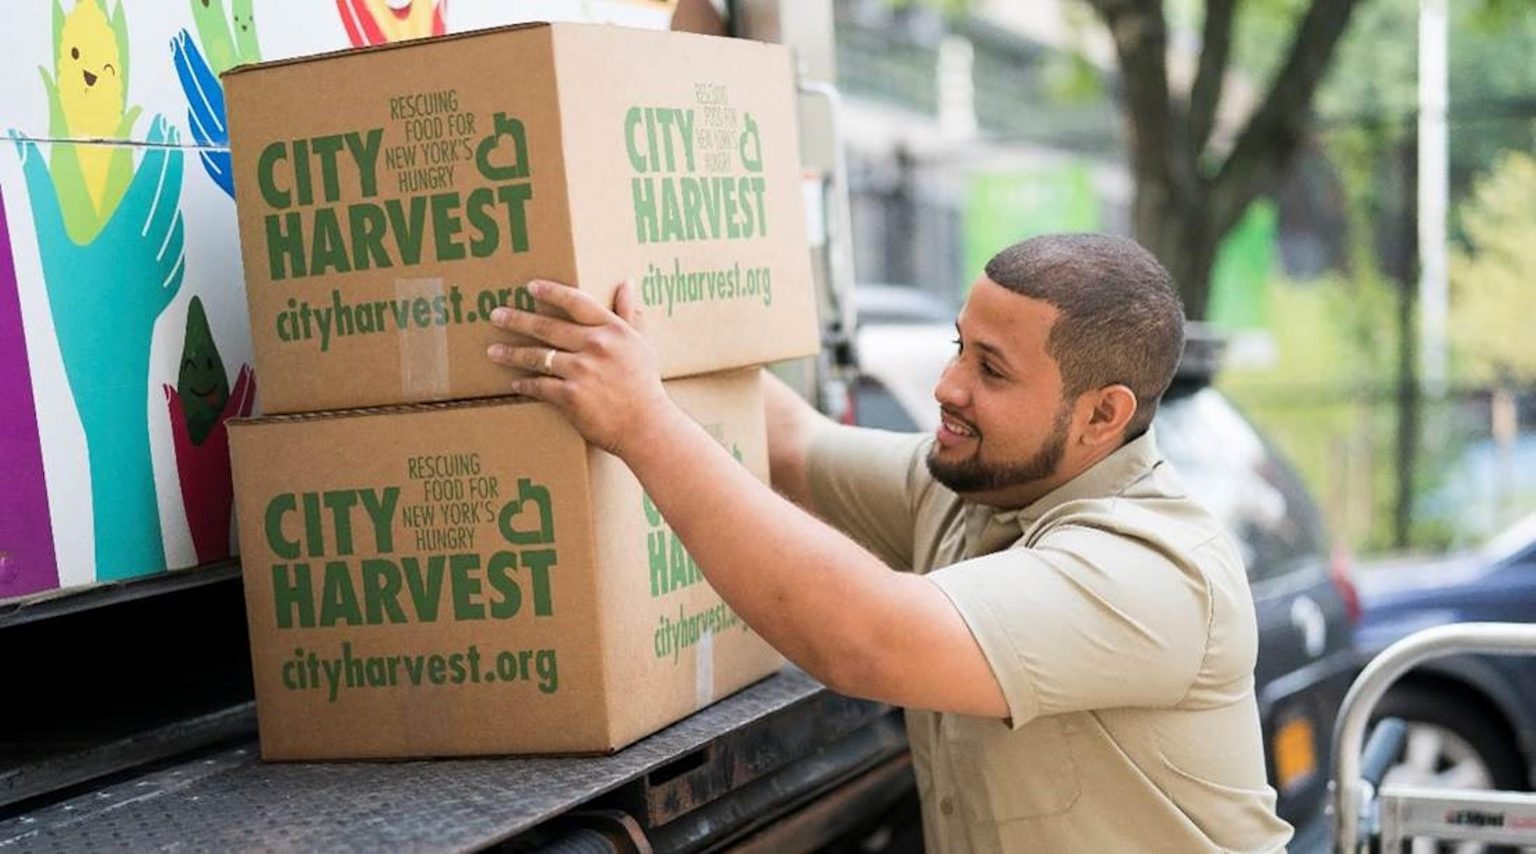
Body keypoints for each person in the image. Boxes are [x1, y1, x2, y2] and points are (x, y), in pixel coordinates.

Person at [485, 233, 1292, 852]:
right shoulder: (971, 485)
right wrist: (630, 307)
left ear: (1103, 416)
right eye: (957, 347)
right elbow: (793, 446)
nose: (947, 387)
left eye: (992, 370)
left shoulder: (1150, 568)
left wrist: (643, 423)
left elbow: (866, 638)